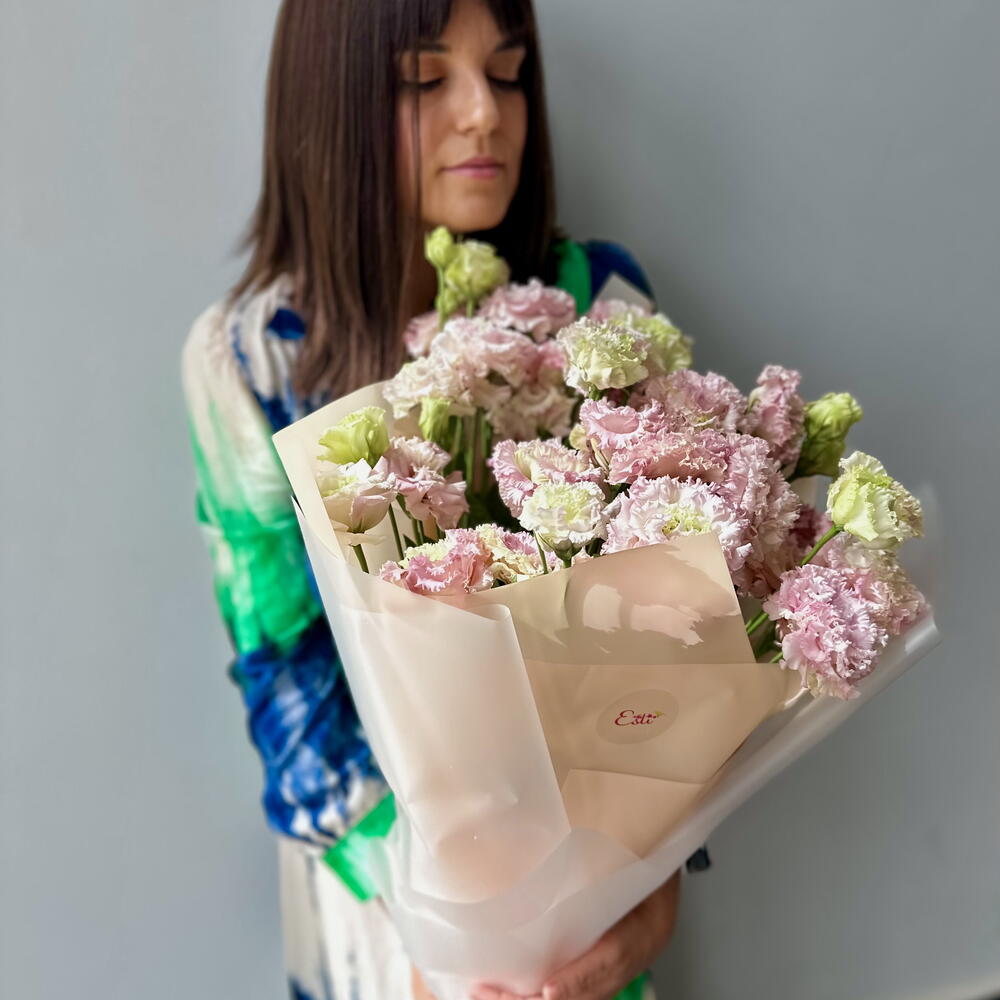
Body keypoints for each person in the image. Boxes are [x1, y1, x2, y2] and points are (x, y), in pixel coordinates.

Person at [181, 1, 693, 997]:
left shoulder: (597, 307)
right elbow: (285, 673)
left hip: (595, 881)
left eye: (505, 73)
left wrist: (659, 875)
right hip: (382, 900)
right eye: (425, 80)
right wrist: (446, 923)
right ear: (330, 106)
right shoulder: (252, 362)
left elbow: (674, 631)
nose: (483, 113)